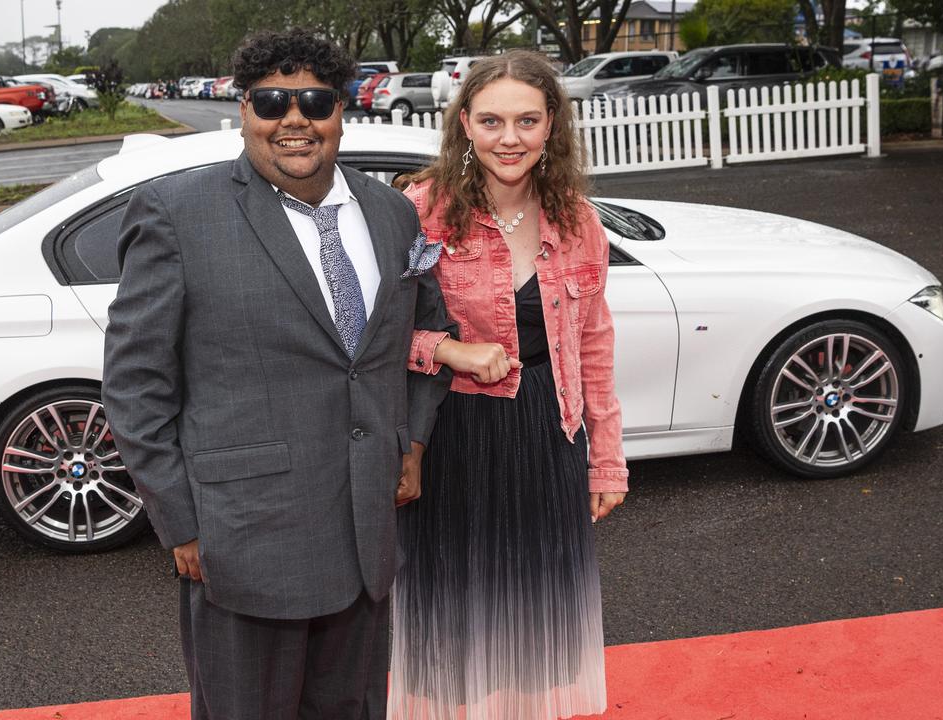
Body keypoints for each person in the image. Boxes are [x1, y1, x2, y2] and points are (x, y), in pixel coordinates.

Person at [102, 28, 455, 720]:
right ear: (243, 110)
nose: (293, 119)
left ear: (341, 110)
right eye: (270, 102)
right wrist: (179, 521)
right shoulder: (177, 214)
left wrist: (411, 443)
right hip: (244, 543)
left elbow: (428, 335)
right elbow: (135, 385)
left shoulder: (389, 214)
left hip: (364, 536)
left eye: (313, 102)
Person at [388, 50, 629, 719]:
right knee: (456, 618)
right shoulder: (422, 212)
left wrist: (606, 459)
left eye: (527, 120)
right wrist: (452, 349)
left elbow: (594, 343)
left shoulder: (579, 221)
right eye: (492, 121)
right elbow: (370, 338)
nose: (510, 138)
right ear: (465, 123)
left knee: (537, 616)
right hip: (456, 438)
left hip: (550, 436)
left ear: (551, 124)